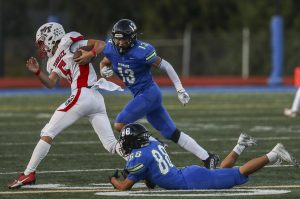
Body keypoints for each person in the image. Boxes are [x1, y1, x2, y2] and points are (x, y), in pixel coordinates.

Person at [8, 22, 121, 189]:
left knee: (48, 131)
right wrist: (38, 72)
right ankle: (143, 160)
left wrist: (90, 53)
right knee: (111, 144)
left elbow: (101, 44)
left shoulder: (68, 40)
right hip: (94, 98)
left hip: (83, 93)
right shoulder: (51, 61)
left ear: (51, 36)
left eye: (42, 41)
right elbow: (51, 83)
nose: (42, 46)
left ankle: (28, 174)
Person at [99, 19, 219, 169]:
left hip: (149, 93)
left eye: (123, 38)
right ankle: (208, 157)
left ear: (132, 37)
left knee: (119, 123)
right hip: (141, 96)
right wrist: (103, 70)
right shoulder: (111, 48)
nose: (120, 42)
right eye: (117, 38)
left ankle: (155, 144)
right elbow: (104, 62)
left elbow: (166, 65)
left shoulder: (142, 50)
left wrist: (180, 89)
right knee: (172, 133)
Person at [109, 123, 299, 190]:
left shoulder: (139, 156)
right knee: (221, 173)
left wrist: (113, 180)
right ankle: (240, 145)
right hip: (189, 175)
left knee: (238, 175)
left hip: (191, 180)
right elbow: (151, 182)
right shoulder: (153, 144)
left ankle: (274, 154)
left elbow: (125, 187)